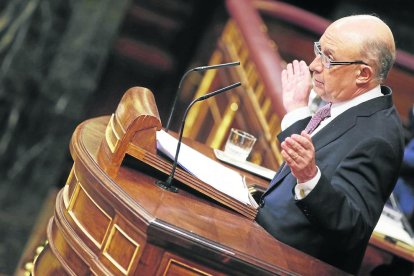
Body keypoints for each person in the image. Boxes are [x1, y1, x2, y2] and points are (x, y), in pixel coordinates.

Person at [255, 15, 404, 274]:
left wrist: (309, 177)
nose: (314, 65)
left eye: (329, 59)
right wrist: (297, 111)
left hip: (291, 267)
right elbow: (319, 154)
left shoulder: (378, 138)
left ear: (363, 74)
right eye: (318, 51)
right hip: (264, 247)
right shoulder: (351, 102)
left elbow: (351, 228)